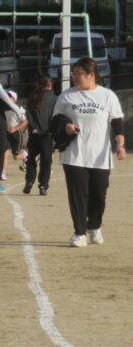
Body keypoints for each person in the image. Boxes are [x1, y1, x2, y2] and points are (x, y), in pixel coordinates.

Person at [51, 57, 125, 247]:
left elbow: (117, 122)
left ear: (91, 75)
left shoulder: (107, 96)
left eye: (79, 73)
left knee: (98, 196)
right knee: (77, 195)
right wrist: (66, 126)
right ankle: (79, 233)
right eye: (73, 73)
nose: (75, 77)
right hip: (74, 154)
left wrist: (120, 145)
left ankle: (94, 226)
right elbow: (55, 120)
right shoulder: (67, 96)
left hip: (100, 156)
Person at [23, 76, 56, 196]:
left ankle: (30, 180)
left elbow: (28, 114)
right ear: (50, 85)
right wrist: (51, 130)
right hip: (47, 134)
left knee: (31, 158)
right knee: (46, 161)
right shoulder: (54, 99)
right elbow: (55, 117)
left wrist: (33, 127)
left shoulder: (32, 97)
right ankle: (43, 185)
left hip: (34, 134)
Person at [2, 89, 28, 181]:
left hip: (16, 135)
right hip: (6, 134)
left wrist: (14, 128)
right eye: (6, 96)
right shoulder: (3, 109)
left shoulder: (18, 109)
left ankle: (25, 155)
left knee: (16, 157)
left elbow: (24, 122)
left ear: (14, 99)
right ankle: (3, 173)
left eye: (9, 96)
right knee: (4, 154)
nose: (7, 98)